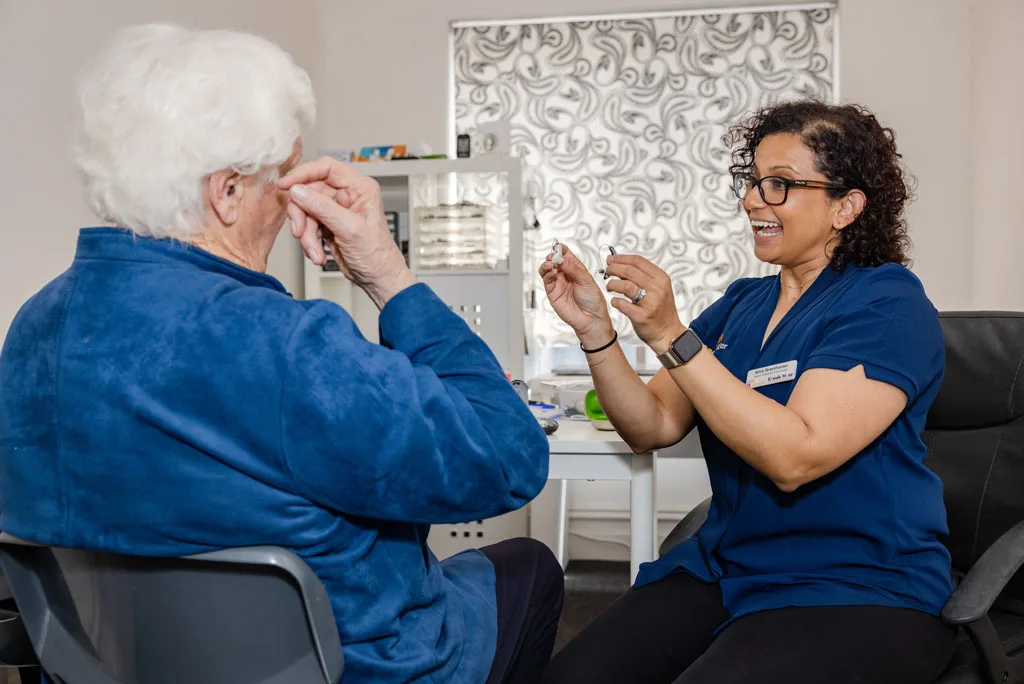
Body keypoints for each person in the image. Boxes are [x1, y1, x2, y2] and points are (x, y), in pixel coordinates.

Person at [0, 25, 562, 684]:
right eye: (286, 176)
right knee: (530, 566)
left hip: (117, 668)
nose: (296, 199)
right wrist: (388, 275)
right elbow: (510, 454)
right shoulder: (289, 344)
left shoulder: (34, 327)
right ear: (228, 192)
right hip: (348, 670)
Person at [539, 101, 957, 684]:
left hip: (856, 586)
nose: (752, 200)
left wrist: (669, 334)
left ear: (846, 206)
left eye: (780, 184)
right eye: (753, 181)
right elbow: (651, 425)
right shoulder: (741, 303)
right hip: (729, 568)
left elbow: (796, 456)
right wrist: (597, 334)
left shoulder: (887, 304)